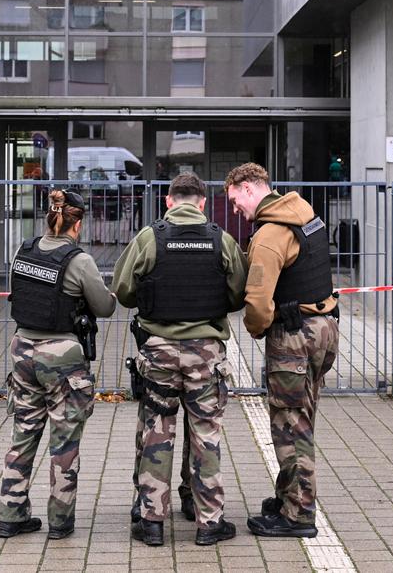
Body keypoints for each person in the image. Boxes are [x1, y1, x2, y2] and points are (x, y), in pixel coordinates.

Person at [112, 172, 246, 547]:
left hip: (159, 350)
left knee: (157, 433)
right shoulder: (223, 239)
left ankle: (152, 522)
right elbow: (238, 294)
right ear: (202, 202)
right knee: (206, 435)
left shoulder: (149, 238)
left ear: (169, 201)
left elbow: (122, 290)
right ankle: (209, 523)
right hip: (207, 353)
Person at [224, 163, 339, 539]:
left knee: (290, 426)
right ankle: (288, 494)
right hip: (324, 329)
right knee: (301, 417)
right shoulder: (305, 215)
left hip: (293, 335)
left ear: (246, 188)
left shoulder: (271, 234)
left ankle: (298, 515)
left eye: (234, 201)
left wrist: (256, 329)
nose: (236, 210)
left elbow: (257, 300)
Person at [0, 189, 117, 540]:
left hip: (22, 349)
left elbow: (15, 293)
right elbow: (105, 307)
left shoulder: (24, 249)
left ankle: (11, 515)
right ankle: (60, 522)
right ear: (77, 222)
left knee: (23, 432)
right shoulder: (79, 260)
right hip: (61, 354)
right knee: (64, 441)